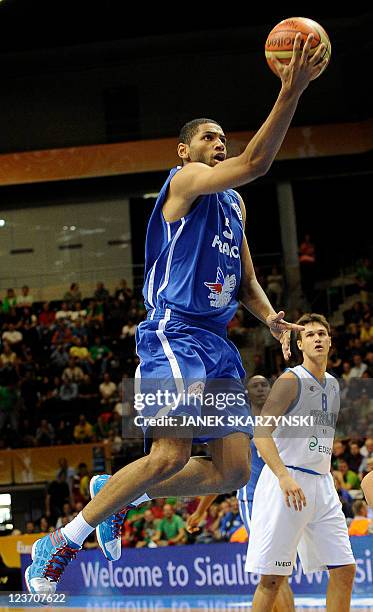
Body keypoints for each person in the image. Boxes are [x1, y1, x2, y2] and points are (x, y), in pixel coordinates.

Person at [25, 33, 328, 594]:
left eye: (222, 137)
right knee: (168, 453)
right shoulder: (183, 184)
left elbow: (245, 278)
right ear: (184, 152)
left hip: (216, 342)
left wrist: (271, 319)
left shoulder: (233, 204)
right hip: (173, 333)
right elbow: (258, 161)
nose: (219, 142)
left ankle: (115, 491)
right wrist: (292, 90)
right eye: (208, 137)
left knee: (234, 469)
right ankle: (61, 540)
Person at [245, 313, 355, 612]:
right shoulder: (291, 380)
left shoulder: (332, 385)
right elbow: (261, 432)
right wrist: (282, 476)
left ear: (330, 341)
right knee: (273, 579)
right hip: (288, 483)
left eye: (322, 333)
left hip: (321, 484)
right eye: (310, 335)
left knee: (345, 570)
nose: (317, 338)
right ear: (300, 344)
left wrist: (327, 472)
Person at [187, 375, 294, 611]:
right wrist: (201, 512)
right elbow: (223, 473)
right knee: (274, 570)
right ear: (246, 393)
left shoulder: (283, 420)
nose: (260, 387)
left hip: (283, 499)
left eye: (264, 384)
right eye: (254, 385)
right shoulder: (240, 427)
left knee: (278, 570)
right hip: (254, 501)